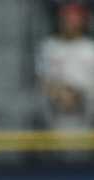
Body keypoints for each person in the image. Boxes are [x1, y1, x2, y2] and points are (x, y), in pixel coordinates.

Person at [36, 1, 94, 130]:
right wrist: (61, 90)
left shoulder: (90, 48)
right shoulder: (50, 46)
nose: (70, 26)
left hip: (86, 100)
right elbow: (42, 80)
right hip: (56, 100)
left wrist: (77, 92)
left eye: (74, 22)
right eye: (66, 21)